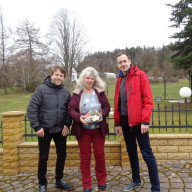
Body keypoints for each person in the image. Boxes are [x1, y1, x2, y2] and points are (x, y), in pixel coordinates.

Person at [114, 51, 160, 192]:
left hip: (139, 123)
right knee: (131, 152)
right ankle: (136, 180)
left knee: (147, 153)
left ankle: (156, 188)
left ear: (129, 61)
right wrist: (117, 123)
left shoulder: (141, 75)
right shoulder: (119, 80)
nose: (122, 64)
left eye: (124, 61)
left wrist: (145, 121)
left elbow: (148, 100)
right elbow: (118, 103)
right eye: (120, 62)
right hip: (125, 121)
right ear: (118, 65)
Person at [27, 66, 74, 192]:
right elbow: (32, 109)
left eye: (61, 76)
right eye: (56, 75)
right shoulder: (41, 89)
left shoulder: (66, 92)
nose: (59, 77)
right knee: (43, 157)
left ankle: (59, 180)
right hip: (44, 130)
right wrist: (37, 126)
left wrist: (67, 125)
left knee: (62, 155)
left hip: (60, 129)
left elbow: (70, 111)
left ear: (64, 78)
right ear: (51, 75)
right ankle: (42, 183)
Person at [68, 67, 110, 192]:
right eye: (87, 78)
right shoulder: (77, 94)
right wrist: (79, 117)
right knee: (85, 157)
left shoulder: (100, 93)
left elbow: (107, 107)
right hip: (83, 130)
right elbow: (70, 109)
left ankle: (101, 180)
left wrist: (101, 115)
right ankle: (87, 184)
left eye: (92, 78)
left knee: (100, 155)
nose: (90, 80)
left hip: (98, 130)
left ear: (94, 80)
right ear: (83, 79)